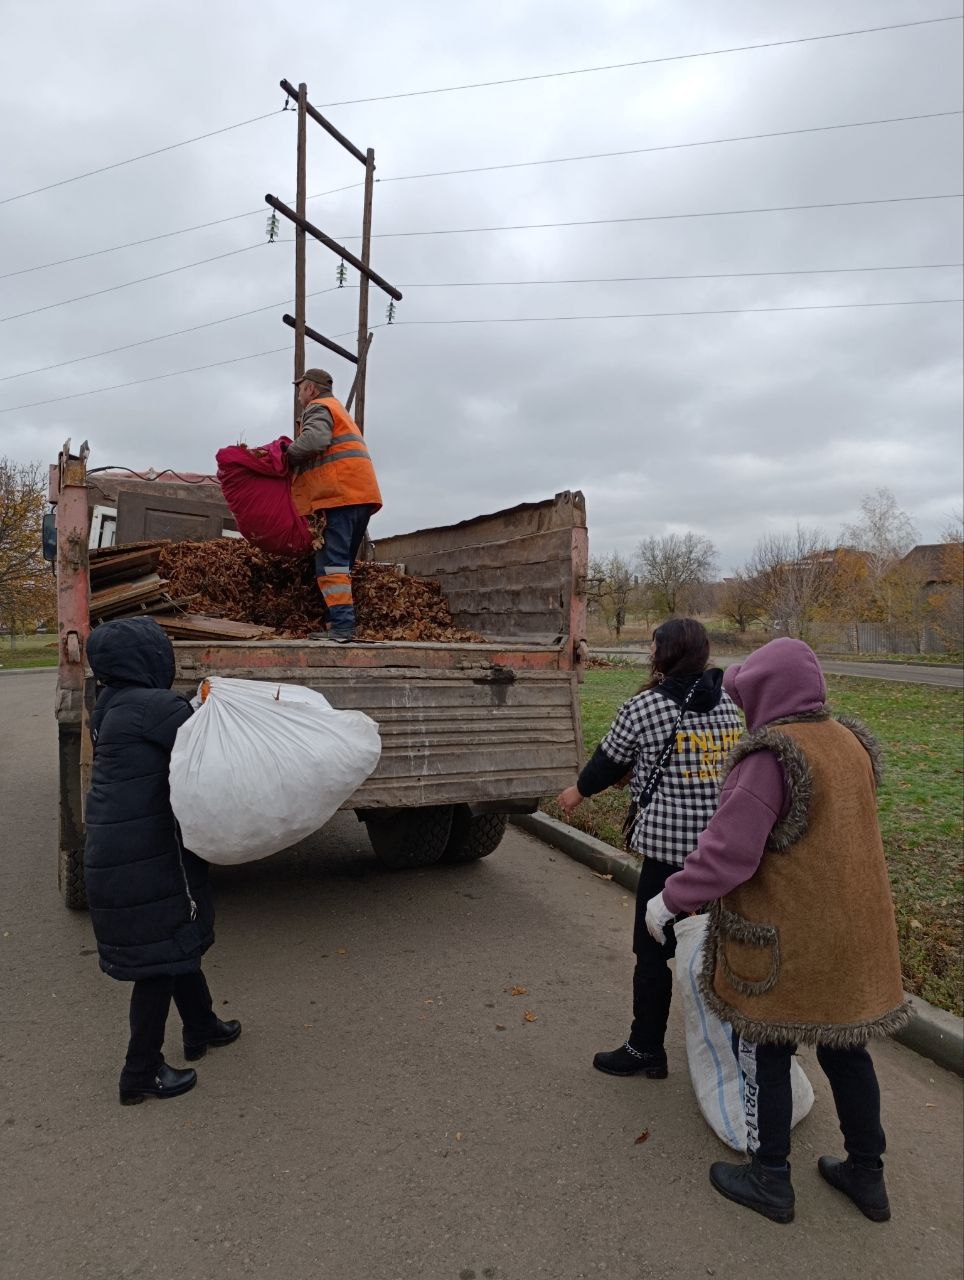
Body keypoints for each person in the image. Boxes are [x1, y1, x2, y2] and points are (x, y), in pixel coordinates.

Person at [645, 638, 906, 1224]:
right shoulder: (848, 743)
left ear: (764, 693)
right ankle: (869, 1176)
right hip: (852, 936)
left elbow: (728, 853)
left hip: (787, 940)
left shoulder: (771, 757)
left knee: (766, 1047)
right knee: (848, 1052)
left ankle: (770, 1179)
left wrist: (670, 899)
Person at [556, 618, 742, 1079]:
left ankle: (645, 1049)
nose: (649, 652)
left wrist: (577, 792)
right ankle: (745, 1054)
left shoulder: (646, 706)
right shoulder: (730, 705)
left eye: (654, 645)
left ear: (666, 654)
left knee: (653, 950)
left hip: (670, 855)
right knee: (728, 952)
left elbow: (608, 760)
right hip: (723, 853)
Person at [84, 617, 241, 1105]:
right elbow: (213, 743)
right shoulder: (153, 707)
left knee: (174, 938)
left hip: (119, 854)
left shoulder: (110, 703)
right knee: (157, 962)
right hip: (144, 855)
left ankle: (201, 1026)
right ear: (149, 660)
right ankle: (140, 1072)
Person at [285, 367, 382, 643]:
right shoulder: (338, 409)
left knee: (331, 563)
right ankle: (335, 623)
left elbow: (315, 440)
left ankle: (342, 628)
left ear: (312, 389)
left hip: (339, 496)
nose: (299, 392)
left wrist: (286, 457)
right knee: (342, 565)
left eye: (301, 387)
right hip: (359, 495)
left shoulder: (318, 407)